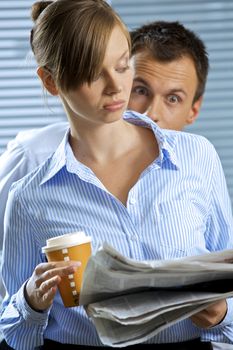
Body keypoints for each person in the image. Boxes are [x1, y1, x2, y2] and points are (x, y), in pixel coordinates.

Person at [0, 1, 233, 348]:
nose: (115, 87)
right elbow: (16, 337)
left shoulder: (195, 156)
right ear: (51, 81)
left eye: (123, 67)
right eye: (93, 73)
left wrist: (222, 315)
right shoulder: (30, 197)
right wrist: (31, 301)